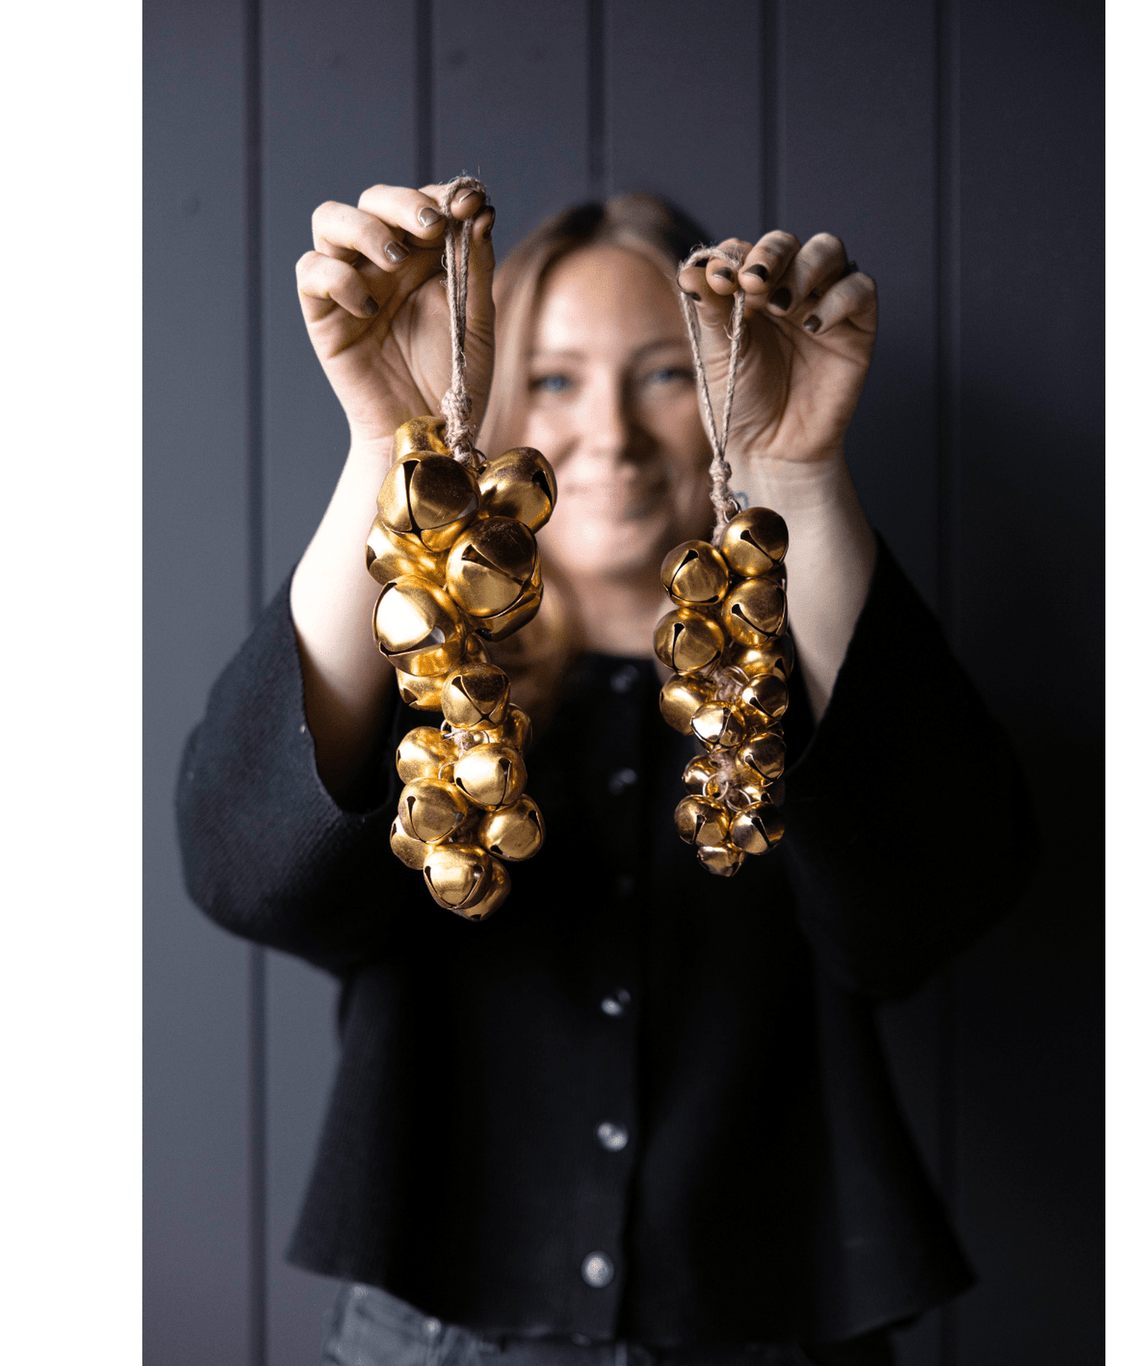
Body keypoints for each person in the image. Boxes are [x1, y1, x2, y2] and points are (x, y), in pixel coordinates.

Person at [177, 180, 1032, 1366]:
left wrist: (797, 476)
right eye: (553, 379)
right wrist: (389, 446)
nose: (611, 434)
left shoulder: (820, 685)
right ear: (491, 397)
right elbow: (240, 866)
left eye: (666, 372)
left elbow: (935, 899)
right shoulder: (426, 690)